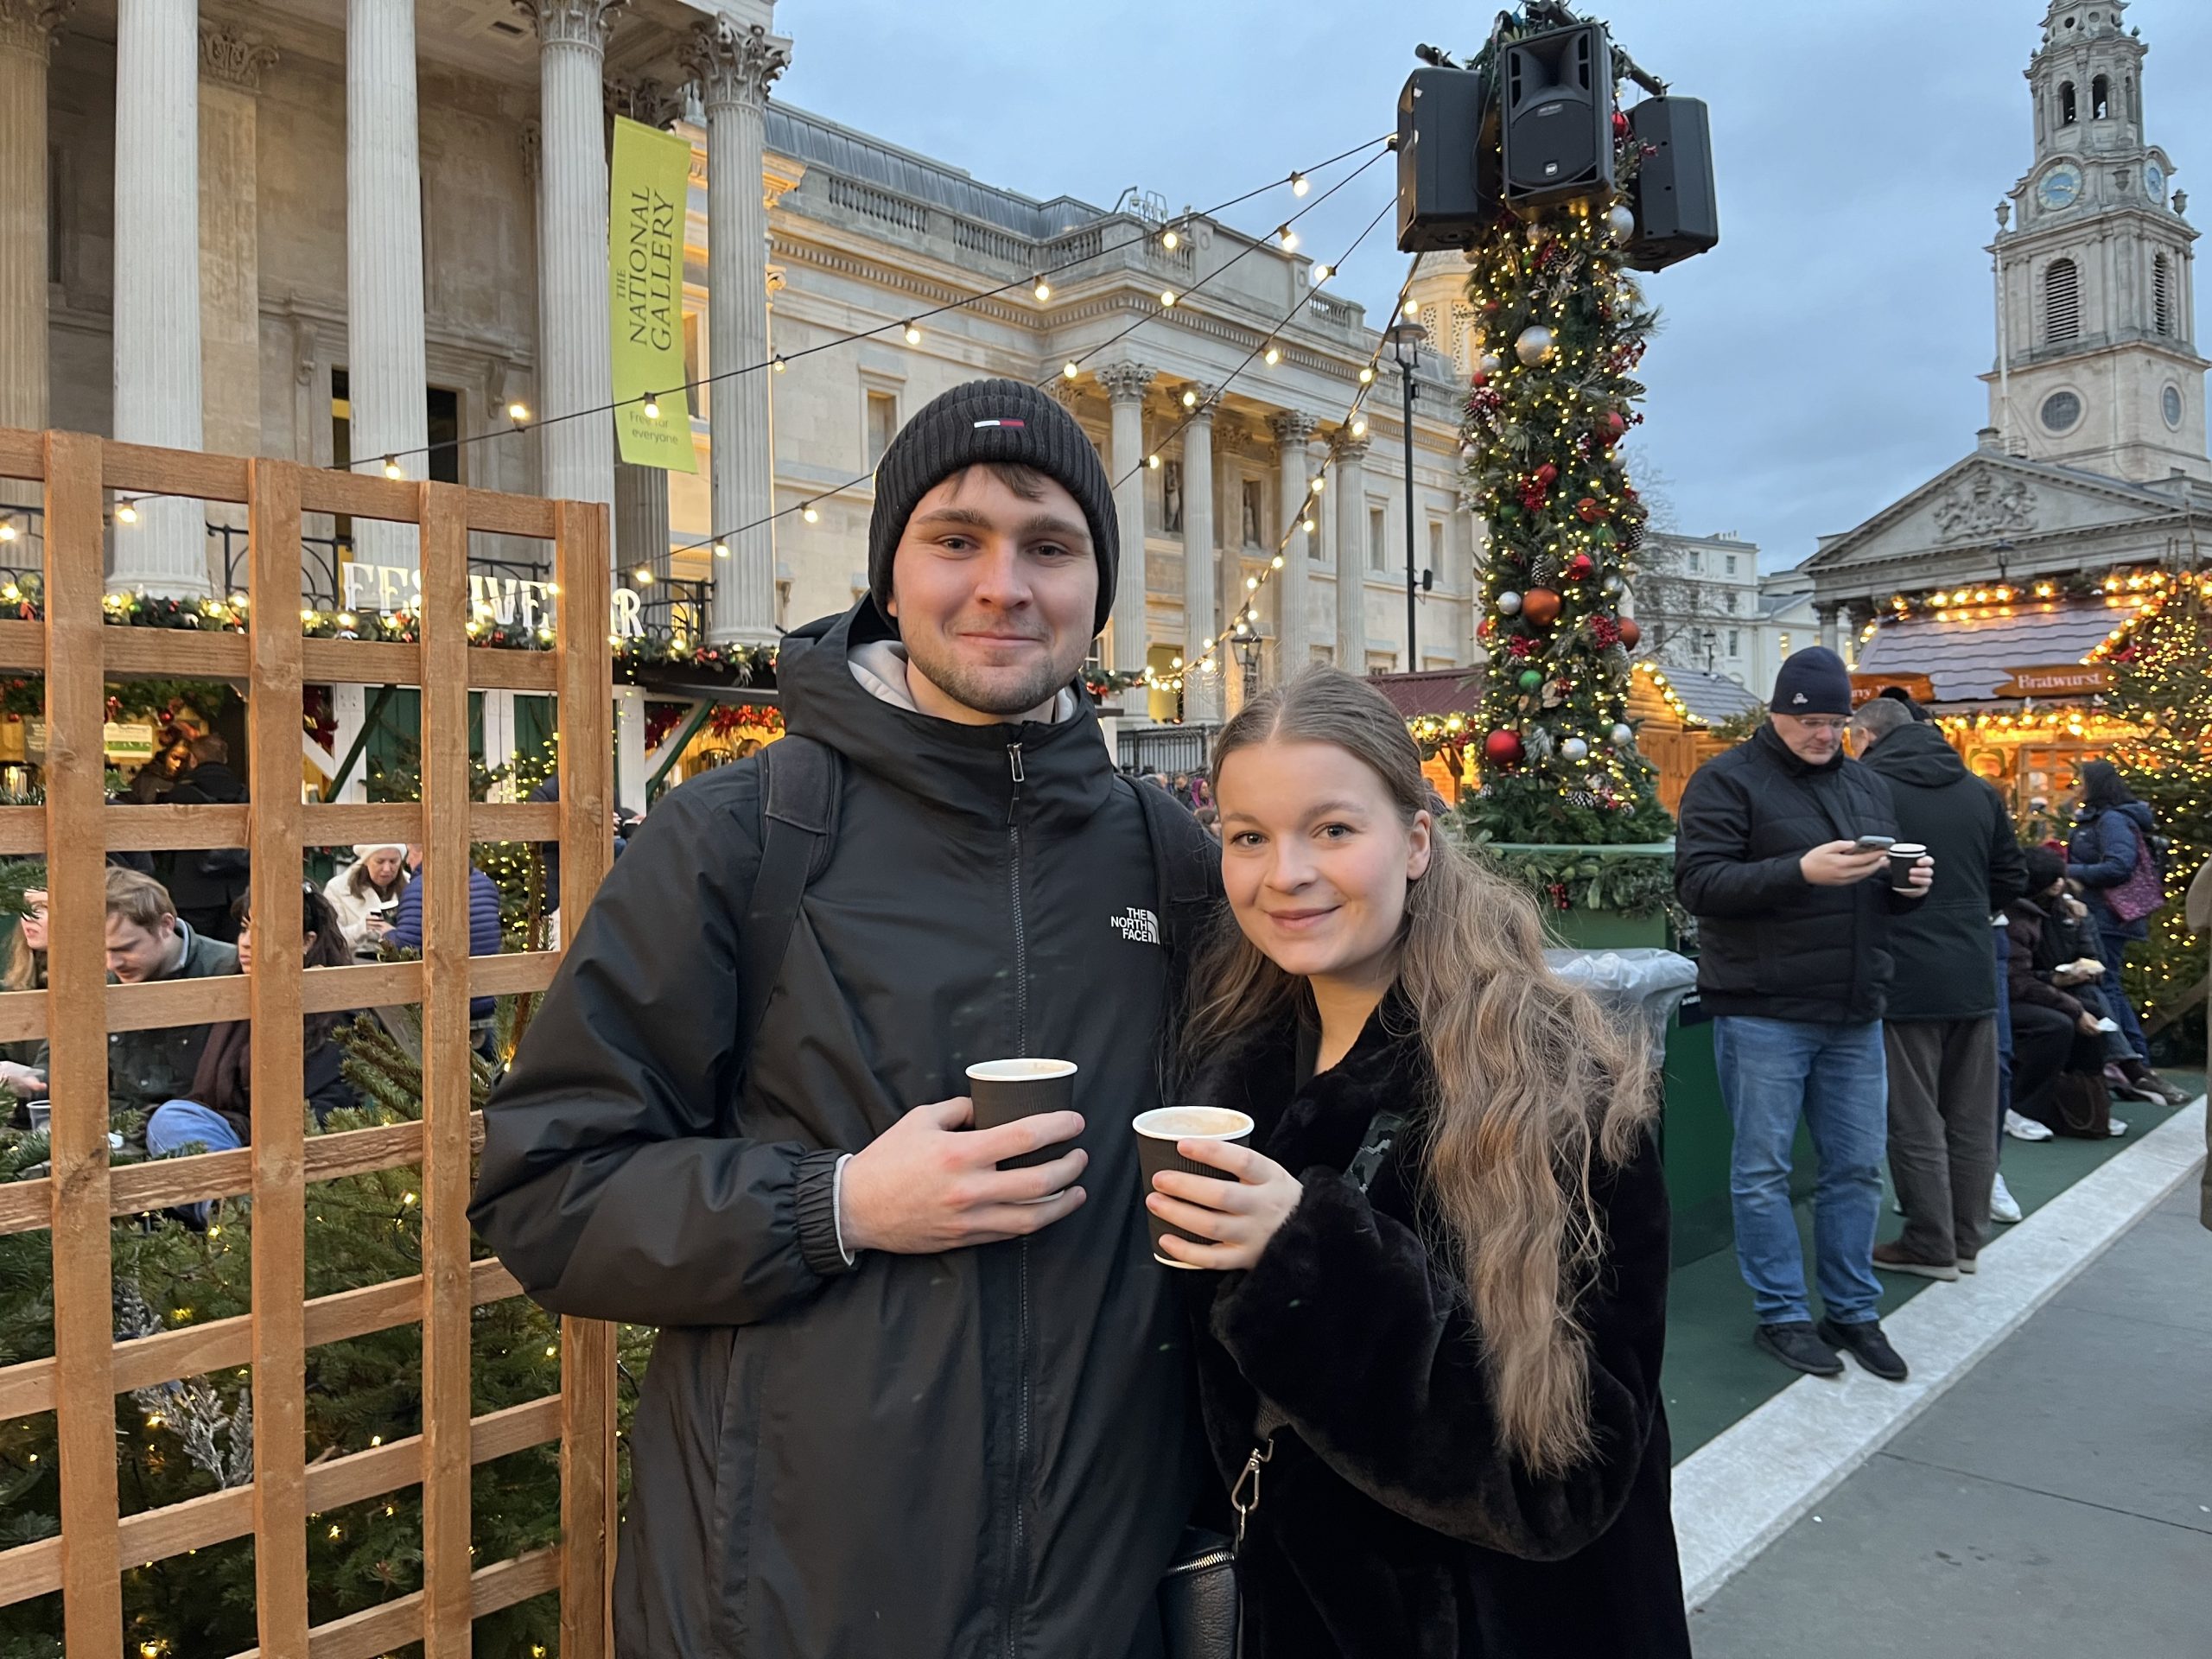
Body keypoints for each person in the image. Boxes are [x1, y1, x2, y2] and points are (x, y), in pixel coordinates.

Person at [467, 378, 1220, 1657]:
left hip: (1099, 1599)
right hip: (787, 1601)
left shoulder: (1165, 857)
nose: (1004, 586)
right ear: (890, 574)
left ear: (1098, 588)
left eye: (1050, 546)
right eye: (957, 539)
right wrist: (840, 1206)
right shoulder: (745, 836)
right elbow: (547, 1194)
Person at [1157, 670, 1688, 1658]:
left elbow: (1569, 1480)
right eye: (1247, 837)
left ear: (1413, 840)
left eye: (1332, 829)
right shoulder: (1232, 1058)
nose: (1285, 875)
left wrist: (1304, 1264)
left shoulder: (1556, 1088)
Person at [1675, 647, 1931, 1383]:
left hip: (1854, 1005)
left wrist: (1903, 887)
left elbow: (1871, 890)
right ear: (1778, 714)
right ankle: (1783, 1313)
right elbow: (1699, 882)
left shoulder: (1867, 786)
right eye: (1809, 721)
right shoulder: (1726, 780)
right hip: (1764, 1009)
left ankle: (1853, 1309)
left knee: (1855, 1168)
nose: (1824, 734)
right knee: (1763, 1169)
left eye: (1835, 722)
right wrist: (1800, 871)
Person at [1851, 696, 2026, 1279]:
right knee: (1972, 1114)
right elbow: (2012, 876)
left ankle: (1930, 1242)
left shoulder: (1869, 787)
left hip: (1903, 969)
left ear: (1868, 738)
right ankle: (1967, 1241)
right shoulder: (1979, 790)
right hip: (1973, 968)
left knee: (1915, 1114)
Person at [144, 887, 360, 1218]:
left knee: (172, 1124)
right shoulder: (238, 998)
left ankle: (244, 1221)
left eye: (261, 933)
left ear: (307, 942)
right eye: (244, 929)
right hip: (238, 1138)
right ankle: (239, 1216)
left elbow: (330, 1112)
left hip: (297, 1153)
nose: (245, 942)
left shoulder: (332, 1014)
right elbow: (208, 1098)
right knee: (172, 1124)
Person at [56, 868, 241, 1126]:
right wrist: (28, 1077)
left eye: (126, 948)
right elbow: (57, 1061)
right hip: (112, 1126)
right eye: (101, 951)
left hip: (196, 1129)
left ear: (165, 925)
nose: (111, 963)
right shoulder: (94, 976)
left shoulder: (230, 969)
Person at [2064, 760, 2190, 1105]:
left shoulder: (2112, 820)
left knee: (2108, 986)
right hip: (2105, 913)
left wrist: (2069, 869)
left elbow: (2119, 865)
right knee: (2108, 985)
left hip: (2109, 915)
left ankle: (2134, 1063)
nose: (2075, 786)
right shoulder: (2103, 818)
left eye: (2080, 781)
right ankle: (2131, 1064)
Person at [2005, 849, 2120, 1136]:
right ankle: (2022, 1108)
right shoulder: (2015, 919)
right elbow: (2016, 982)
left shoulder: (2063, 910)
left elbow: (2088, 952)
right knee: (2055, 1025)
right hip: (2008, 997)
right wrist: (2068, 999)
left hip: (2039, 988)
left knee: (2094, 1011)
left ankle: (2088, 1104)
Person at [381, 845, 504, 1023]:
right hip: (487, 999)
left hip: (443, 1004)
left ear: (426, 851)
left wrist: (388, 933)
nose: (408, 861)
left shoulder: (419, 888)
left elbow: (406, 948)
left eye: (412, 853)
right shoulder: (485, 882)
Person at [0, 875, 48, 1103]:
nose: (29, 917)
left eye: (43, 907)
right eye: (26, 907)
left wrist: (26, 1077)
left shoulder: (109, 978)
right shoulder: (20, 980)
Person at [322, 841, 408, 956]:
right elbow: (328, 940)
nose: (387, 868)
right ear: (366, 861)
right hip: (356, 964)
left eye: (393, 861)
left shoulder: (412, 884)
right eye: (380, 861)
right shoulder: (337, 888)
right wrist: (361, 929)